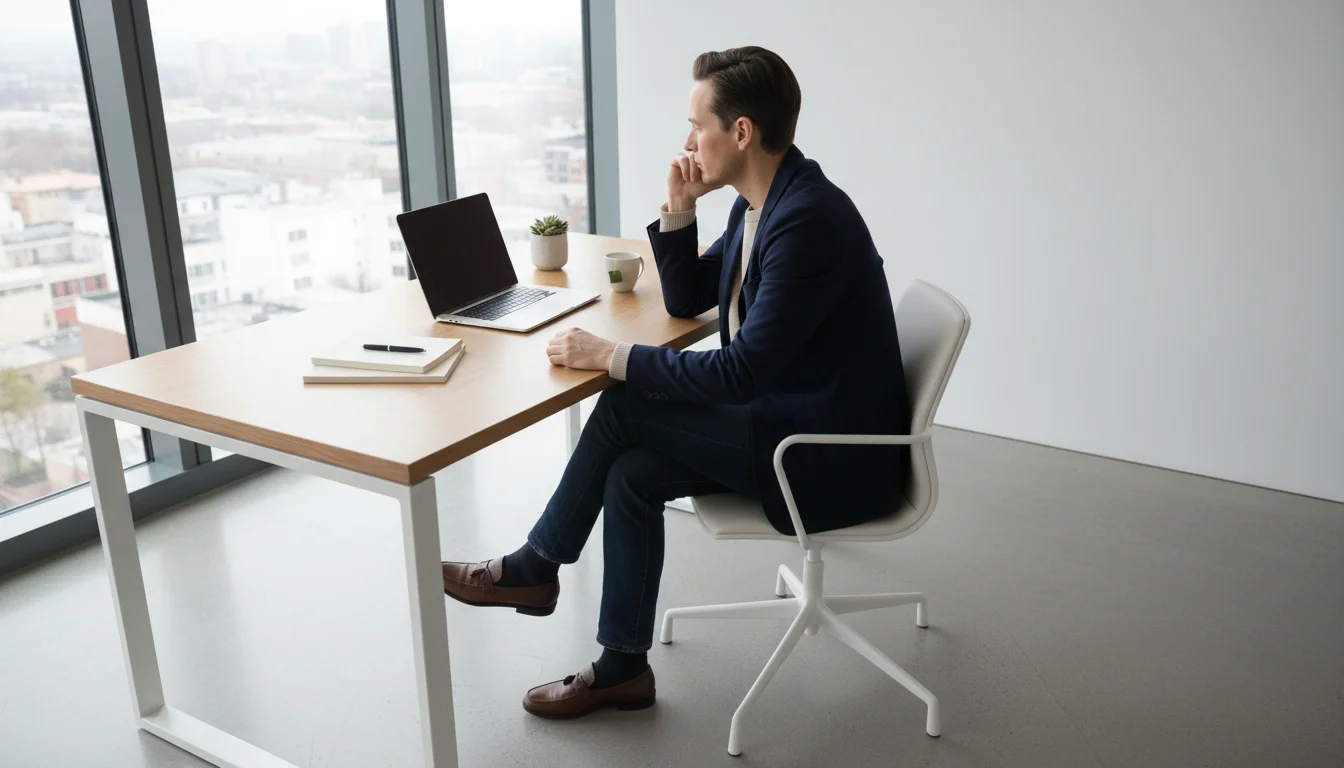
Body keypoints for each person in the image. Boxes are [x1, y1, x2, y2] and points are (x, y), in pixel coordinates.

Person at [441, 46, 910, 719]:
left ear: (741, 133)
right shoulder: (763, 204)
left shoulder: (806, 221)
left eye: (698, 125)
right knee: (631, 473)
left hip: (825, 455)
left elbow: (740, 371)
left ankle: (534, 567)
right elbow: (689, 299)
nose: (688, 141)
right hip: (792, 421)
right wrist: (681, 209)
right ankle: (622, 669)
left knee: (624, 404)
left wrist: (611, 354)